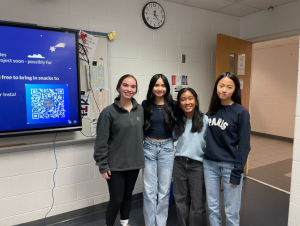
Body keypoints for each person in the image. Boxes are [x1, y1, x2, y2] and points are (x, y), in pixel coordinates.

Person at [94, 74, 145, 226]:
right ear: (118, 88)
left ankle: (124, 223)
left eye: (133, 86)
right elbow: (101, 142)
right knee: (116, 199)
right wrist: (102, 165)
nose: (129, 89)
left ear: (135, 90)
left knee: (128, 196)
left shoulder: (140, 110)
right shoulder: (108, 113)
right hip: (115, 165)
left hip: (134, 163)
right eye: (125, 85)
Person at [204, 72, 251, 226]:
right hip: (210, 165)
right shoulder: (211, 111)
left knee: (231, 211)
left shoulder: (241, 112)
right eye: (221, 85)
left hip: (231, 167)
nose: (224, 90)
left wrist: (238, 171)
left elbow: (244, 144)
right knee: (212, 208)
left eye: (229, 87)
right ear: (216, 87)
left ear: (235, 90)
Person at [142, 74, 176, 226]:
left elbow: (187, 120)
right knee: (149, 191)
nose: (160, 88)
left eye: (163, 85)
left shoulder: (173, 105)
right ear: (151, 87)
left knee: (164, 191)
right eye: (156, 85)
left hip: (167, 149)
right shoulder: (145, 104)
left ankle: (160, 223)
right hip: (148, 147)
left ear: (167, 87)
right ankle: (150, 223)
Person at [173, 88, 208, 226]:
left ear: (196, 100)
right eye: (183, 99)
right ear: (179, 104)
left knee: (198, 204)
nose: (187, 102)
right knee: (181, 201)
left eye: (190, 98)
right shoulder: (178, 121)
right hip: (179, 164)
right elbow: (171, 138)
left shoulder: (205, 120)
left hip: (198, 166)